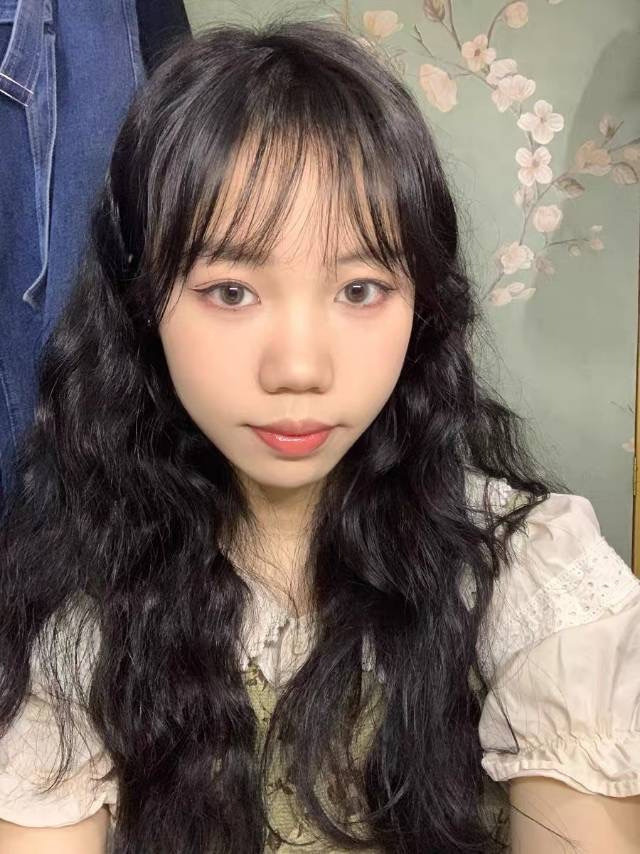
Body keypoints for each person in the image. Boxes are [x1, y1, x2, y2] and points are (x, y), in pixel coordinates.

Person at [0, 16, 637, 854]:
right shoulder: (79, 608)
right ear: (143, 304)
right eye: (231, 291)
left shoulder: (527, 574)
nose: (299, 368)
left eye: (360, 289)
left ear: (424, 303)